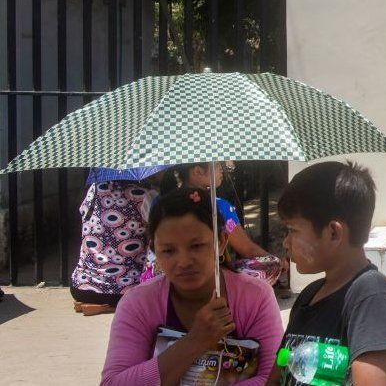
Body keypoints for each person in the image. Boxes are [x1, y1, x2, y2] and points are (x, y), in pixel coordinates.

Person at [101, 187, 283, 385]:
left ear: (221, 242)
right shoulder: (137, 304)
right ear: (155, 251)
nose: (184, 261)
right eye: (169, 250)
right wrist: (195, 341)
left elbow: (272, 378)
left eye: (196, 246)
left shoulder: (255, 297)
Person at [268, 161, 386, 386]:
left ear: (333, 232)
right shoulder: (309, 296)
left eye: (293, 230)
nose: (286, 242)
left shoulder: (371, 296)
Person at [151, 162, 282, 286]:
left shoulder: (159, 202)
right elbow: (247, 250)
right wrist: (279, 262)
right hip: (204, 279)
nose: (221, 170)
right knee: (272, 264)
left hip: (158, 276)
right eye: (218, 165)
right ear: (197, 171)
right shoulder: (218, 206)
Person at [71, 178, 159, 316]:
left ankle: (103, 305)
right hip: (126, 290)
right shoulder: (146, 195)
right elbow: (158, 229)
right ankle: (111, 306)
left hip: (81, 287)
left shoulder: (95, 189)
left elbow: (83, 213)